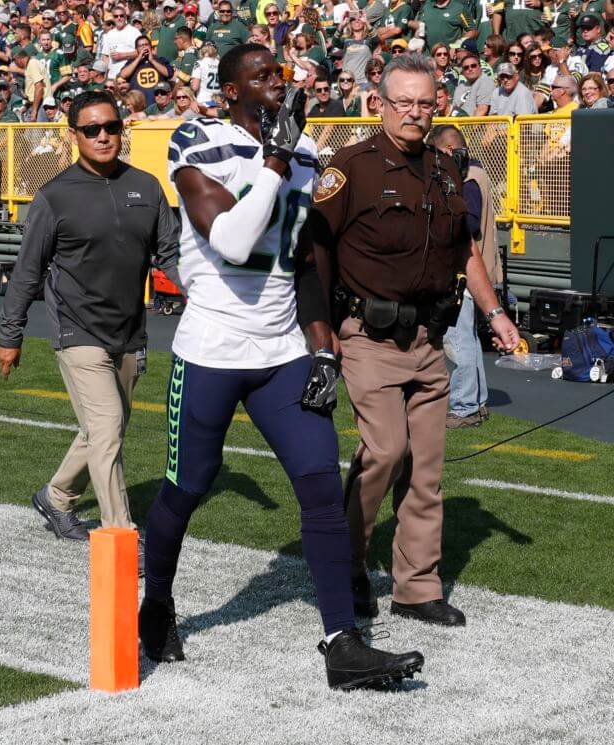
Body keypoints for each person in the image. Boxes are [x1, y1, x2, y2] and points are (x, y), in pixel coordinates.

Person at [141, 43, 424, 691]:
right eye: (261, 75)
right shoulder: (199, 138)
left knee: (321, 484)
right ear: (231, 90)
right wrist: (273, 157)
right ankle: (157, 597)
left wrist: (322, 344)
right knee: (188, 486)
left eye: (280, 71)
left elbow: (303, 263)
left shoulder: (301, 154)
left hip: (281, 353)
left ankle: (342, 643)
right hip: (212, 348)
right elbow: (234, 242)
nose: (278, 81)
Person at [298, 53, 520, 628]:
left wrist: (494, 311)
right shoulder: (350, 167)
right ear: (380, 103)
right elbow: (315, 249)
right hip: (367, 336)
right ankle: (344, 563)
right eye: (405, 103)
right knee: (386, 451)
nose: (416, 114)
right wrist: (322, 333)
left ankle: (417, 587)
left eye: (425, 103)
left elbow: (463, 252)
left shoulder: (448, 171)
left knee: (425, 468)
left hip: (429, 337)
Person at [0, 91, 180, 560]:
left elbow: (171, 255)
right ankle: (122, 537)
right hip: (76, 332)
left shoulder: (147, 186)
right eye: (91, 129)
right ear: (73, 135)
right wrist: (9, 336)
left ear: (123, 129)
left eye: (111, 127)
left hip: (128, 333)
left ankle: (55, 498)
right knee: (108, 427)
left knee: (103, 430)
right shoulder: (55, 195)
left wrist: (203, 293)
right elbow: (28, 271)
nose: (103, 136)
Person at [430, 125, 503, 428]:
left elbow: (468, 223)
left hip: (467, 271)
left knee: (458, 340)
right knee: (468, 340)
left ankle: (464, 406)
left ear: (447, 151)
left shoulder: (469, 177)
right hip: (475, 271)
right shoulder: (476, 173)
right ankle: (477, 402)